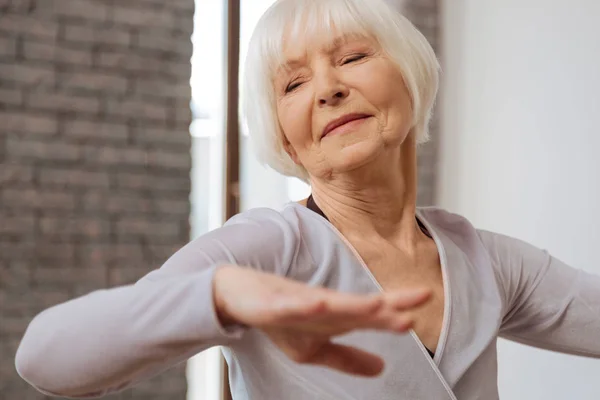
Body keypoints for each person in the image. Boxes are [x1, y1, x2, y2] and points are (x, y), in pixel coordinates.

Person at [14, 0, 600, 398]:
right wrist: (218, 295)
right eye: (293, 84)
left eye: (352, 57)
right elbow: (43, 357)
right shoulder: (267, 247)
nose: (329, 88)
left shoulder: (485, 260)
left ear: (412, 79)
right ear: (286, 138)